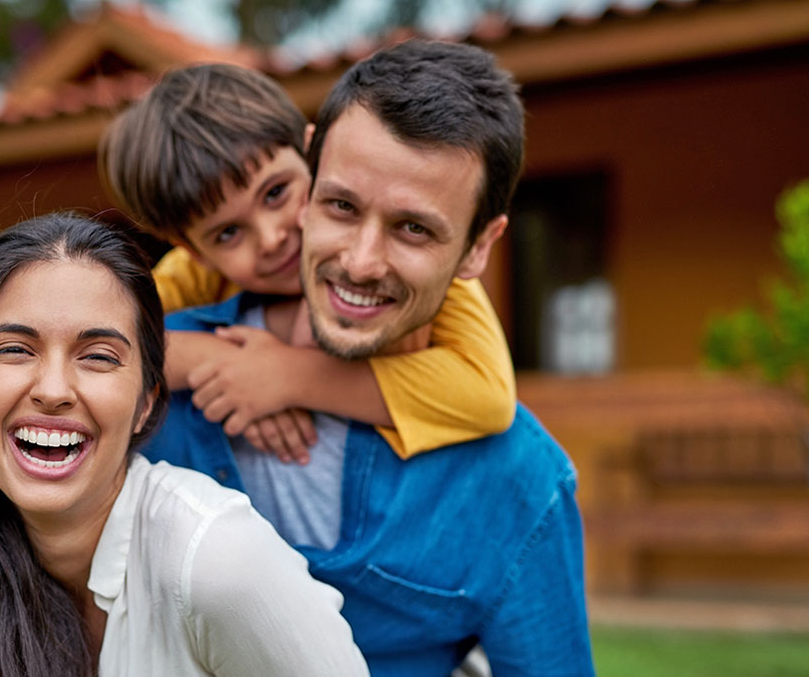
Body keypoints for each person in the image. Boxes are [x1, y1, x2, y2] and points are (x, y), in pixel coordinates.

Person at [140, 40, 595, 677]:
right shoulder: (153, 391)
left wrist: (286, 376)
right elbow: (82, 344)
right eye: (341, 206)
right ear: (314, 164)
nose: (360, 260)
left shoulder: (518, 482)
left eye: (415, 228)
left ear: (476, 250)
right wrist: (205, 362)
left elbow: (490, 401)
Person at [0, 212, 369, 677]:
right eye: (15, 349)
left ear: (146, 403)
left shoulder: (216, 562)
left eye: (99, 357)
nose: (53, 389)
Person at [99, 62, 516, 464]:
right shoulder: (191, 276)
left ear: (313, 154)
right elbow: (94, 340)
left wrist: (291, 378)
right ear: (196, 253)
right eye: (228, 233)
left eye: (276, 192)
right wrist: (220, 363)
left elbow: (488, 395)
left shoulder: (420, 268)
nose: (271, 237)